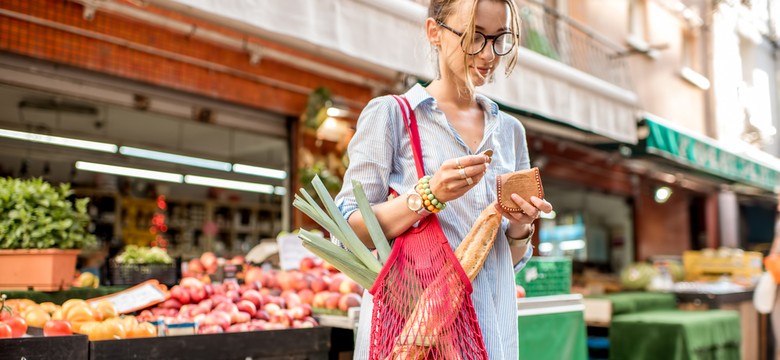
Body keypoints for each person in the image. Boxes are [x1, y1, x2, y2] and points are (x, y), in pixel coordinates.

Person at [334, 0, 554, 358]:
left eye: (499, 39)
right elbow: (344, 232)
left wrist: (520, 227)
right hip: (414, 333)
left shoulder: (510, 131)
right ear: (434, 32)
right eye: (474, 36)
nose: (489, 55)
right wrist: (427, 195)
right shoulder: (392, 115)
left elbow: (509, 260)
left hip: (489, 333)